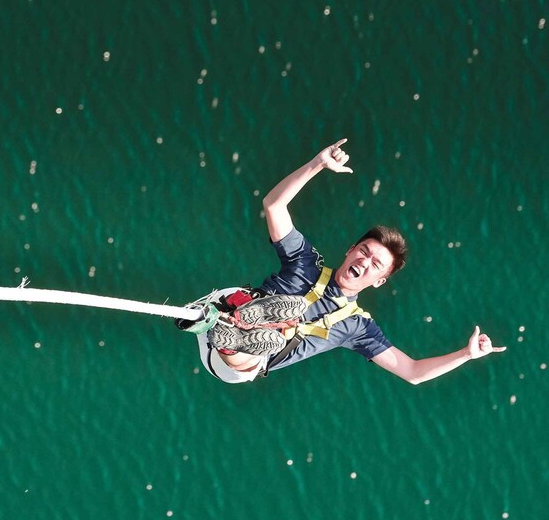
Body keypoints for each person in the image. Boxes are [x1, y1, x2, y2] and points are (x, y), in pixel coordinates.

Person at [186, 138, 506, 384]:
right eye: (364, 252)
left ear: (379, 280)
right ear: (350, 249)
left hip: (233, 363)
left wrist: (466, 354)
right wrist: (317, 164)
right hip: (222, 305)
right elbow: (274, 206)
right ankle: (239, 315)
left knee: (253, 357)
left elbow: (412, 371)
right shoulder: (305, 261)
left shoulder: (358, 327)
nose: (365, 262)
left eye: (376, 265)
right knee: (253, 315)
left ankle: (234, 338)